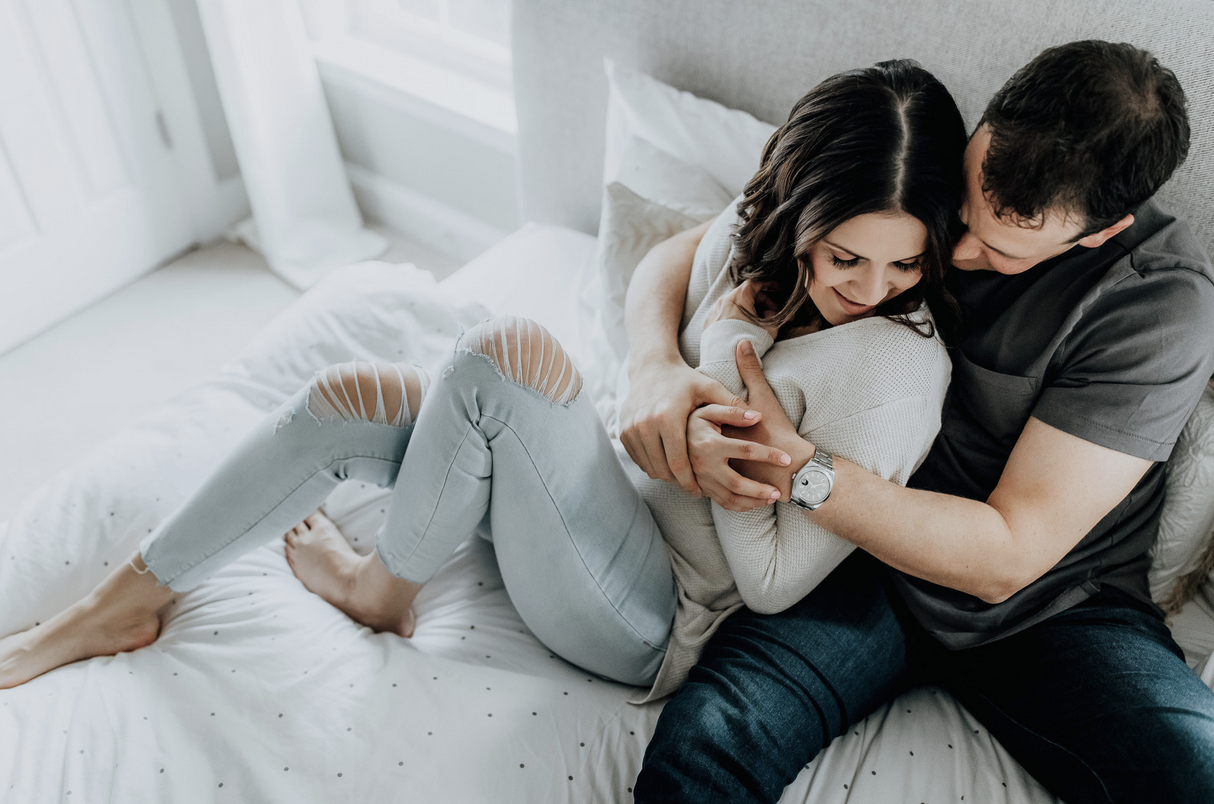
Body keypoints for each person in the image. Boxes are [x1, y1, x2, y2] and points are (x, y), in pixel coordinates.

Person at [0, 60, 964, 703]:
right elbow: (668, 259)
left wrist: (723, 362)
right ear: (797, 212)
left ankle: (382, 592)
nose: (870, 290)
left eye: (905, 267)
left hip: (650, 606)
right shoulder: (767, 246)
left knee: (499, 360)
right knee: (354, 395)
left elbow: (771, 584)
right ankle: (117, 603)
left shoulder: (893, 366)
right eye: (844, 258)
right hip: (581, 490)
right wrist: (654, 367)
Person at [626, 41, 1214, 803]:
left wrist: (798, 466)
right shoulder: (934, 158)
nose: (954, 254)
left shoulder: (1157, 309)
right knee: (704, 748)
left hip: (1050, 606)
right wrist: (651, 366)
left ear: (1098, 234)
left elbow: (1008, 555)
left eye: (998, 250)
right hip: (858, 562)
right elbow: (706, 241)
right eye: (957, 218)